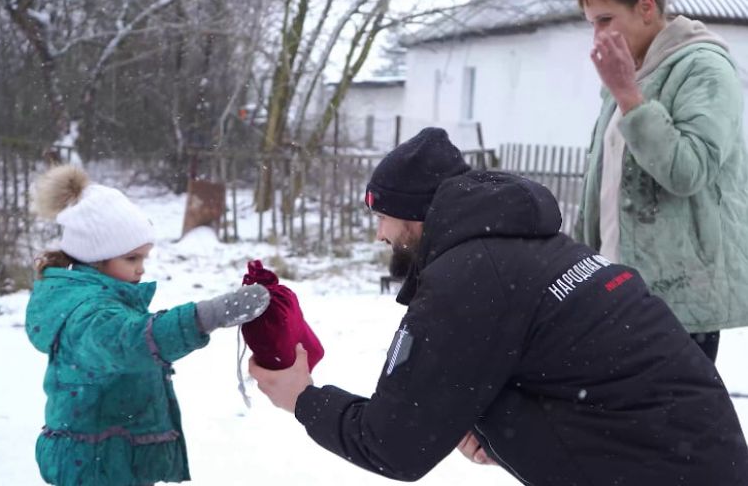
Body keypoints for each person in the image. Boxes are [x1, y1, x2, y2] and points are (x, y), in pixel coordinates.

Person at [249, 127, 748, 485]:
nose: (379, 234)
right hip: (701, 458)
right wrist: (508, 435)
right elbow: (584, 384)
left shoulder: (469, 279)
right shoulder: (533, 249)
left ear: (417, 214)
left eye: (382, 216)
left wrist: (302, 397)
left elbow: (394, 445)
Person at [26, 165, 270, 485]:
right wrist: (208, 315)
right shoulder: (88, 314)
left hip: (110, 455)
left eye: (143, 258)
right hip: (96, 463)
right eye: (131, 259)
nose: (141, 269)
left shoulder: (99, 301)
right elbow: (134, 340)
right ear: (96, 258)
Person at [574, 0, 748, 362]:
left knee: (671, 420)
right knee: (612, 419)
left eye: (605, 20)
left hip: (681, 303)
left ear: (647, 7)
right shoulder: (630, 78)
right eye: (591, 24)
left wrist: (628, 95)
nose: (597, 37)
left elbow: (689, 171)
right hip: (616, 293)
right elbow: (602, 189)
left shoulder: (705, 68)